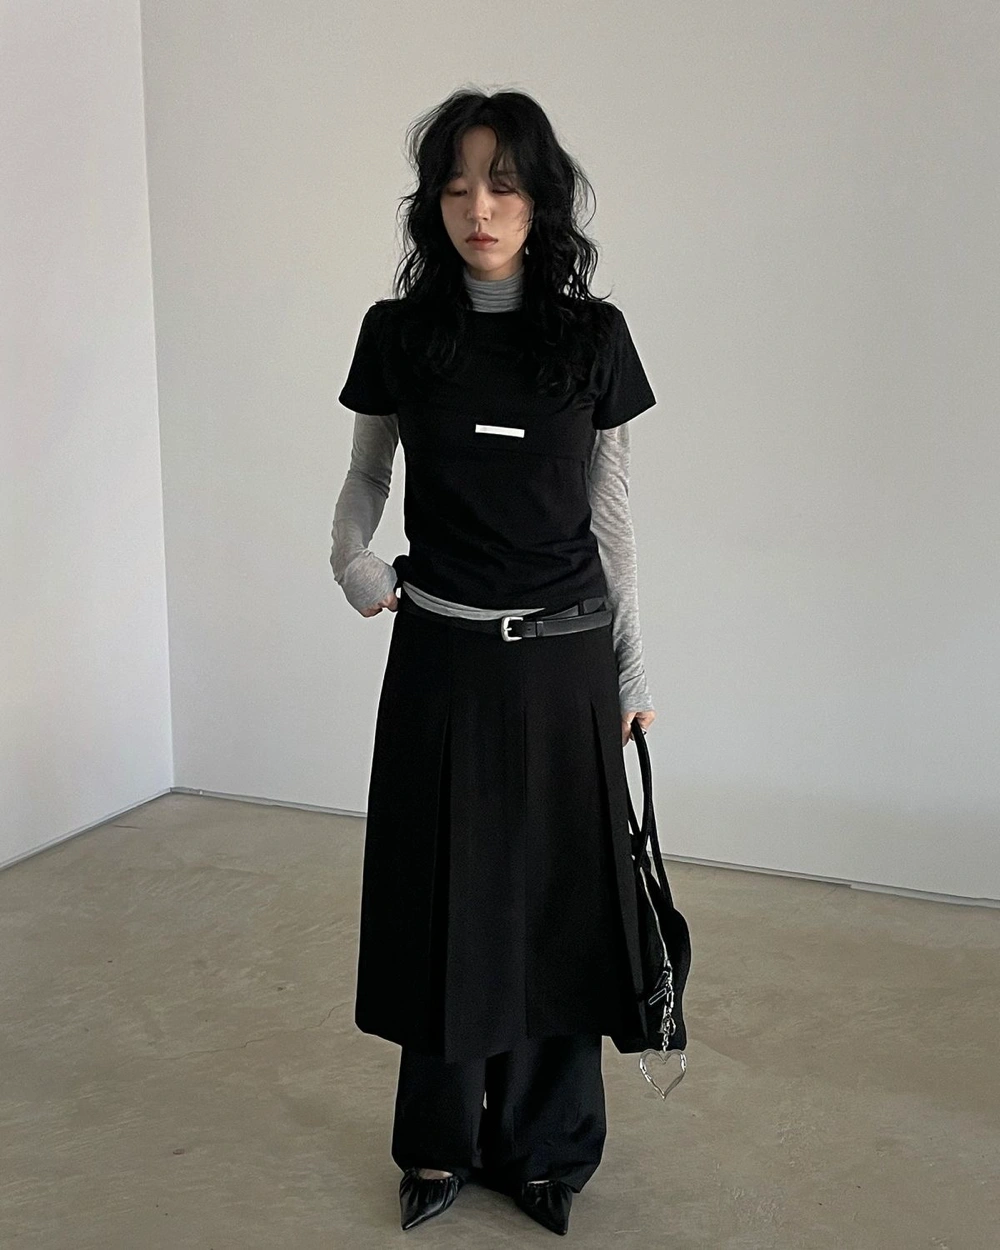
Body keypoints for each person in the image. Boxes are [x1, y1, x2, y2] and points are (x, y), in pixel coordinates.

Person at [331, 88, 657, 1237]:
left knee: (561, 908)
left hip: (565, 663)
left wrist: (632, 672)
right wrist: (351, 559)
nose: (480, 206)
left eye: (504, 184)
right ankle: (436, 1144)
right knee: (445, 901)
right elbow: (368, 472)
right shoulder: (400, 332)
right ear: (432, 201)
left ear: (540, 200)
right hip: (442, 659)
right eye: (458, 184)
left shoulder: (592, 337)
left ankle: (545, 1147)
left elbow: (611, 519)